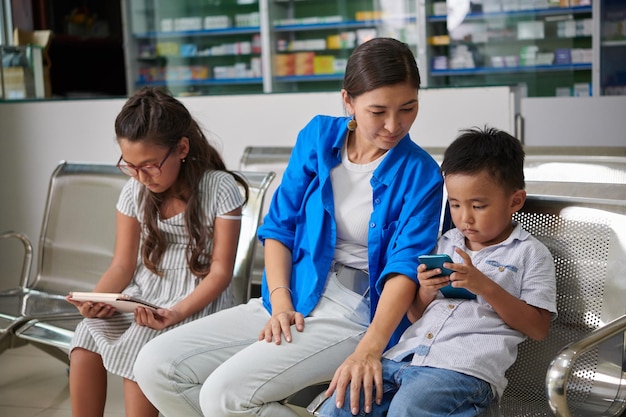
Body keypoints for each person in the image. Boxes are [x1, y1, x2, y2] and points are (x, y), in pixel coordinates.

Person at [133, 37, 444, 417]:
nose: (394, 125)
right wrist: (280, 304)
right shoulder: (317, 137)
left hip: (355, 313)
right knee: (156, 365)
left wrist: (369, 349)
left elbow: (404, 269)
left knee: (224, 397)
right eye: (378, 111)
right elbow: (280, 227)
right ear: (348, 101)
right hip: (292, 294)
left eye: (408, 109)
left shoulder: (422, 174)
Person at [317, 126, 557, 417]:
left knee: (406, 410)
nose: (464, 217)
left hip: (462, 370)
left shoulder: (530, 253)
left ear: (515, 201)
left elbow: (538, 327)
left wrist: (485, 286)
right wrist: (426, 291)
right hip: (404, 358)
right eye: (455, 204)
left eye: (478, 206)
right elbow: (416, 315)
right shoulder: (446, 242)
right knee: (341, 406)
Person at [66, 87, 248, 417]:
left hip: (196, 301)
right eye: (130, 165)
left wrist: (175, 313)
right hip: (144, 294)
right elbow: (122, 265)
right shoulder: (134, 190)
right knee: (84, 339)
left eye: (149, 165)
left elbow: (221, 272)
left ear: (181, 148)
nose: (140, 176)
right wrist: (97, 299)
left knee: (141, 345)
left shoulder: (219, 187)